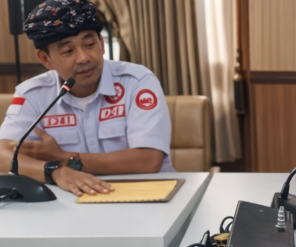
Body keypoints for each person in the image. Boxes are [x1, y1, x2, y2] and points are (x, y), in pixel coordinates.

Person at [0, 0, 174, 197]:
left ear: (101, 43)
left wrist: (66, 158)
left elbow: (148, 161)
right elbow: (3, 156)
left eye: (90, 44)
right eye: (68, 51)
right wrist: (55, 171)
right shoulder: (32, 94)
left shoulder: (137, 81)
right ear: (45, 59)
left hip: (147, 195)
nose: (83, 58)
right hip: (71, 202)